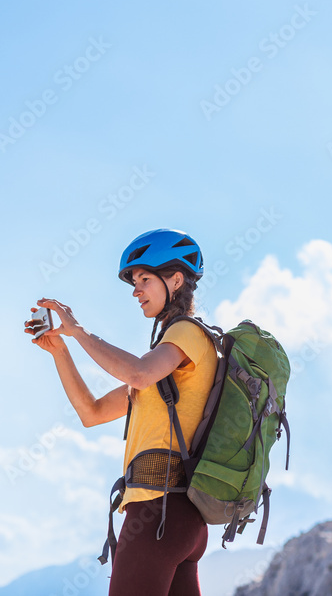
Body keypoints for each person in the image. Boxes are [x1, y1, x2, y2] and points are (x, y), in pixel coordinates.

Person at [25, 228, 216, 596]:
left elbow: (138, 374)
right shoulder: (166, 369)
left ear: (176, 279)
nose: (136, 290)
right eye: (134, 281)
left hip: (155, 515)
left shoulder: (186, 334)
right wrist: (60, 351)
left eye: (145, 278)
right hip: (182, 521)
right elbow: (92, 412)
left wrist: (79, 332)